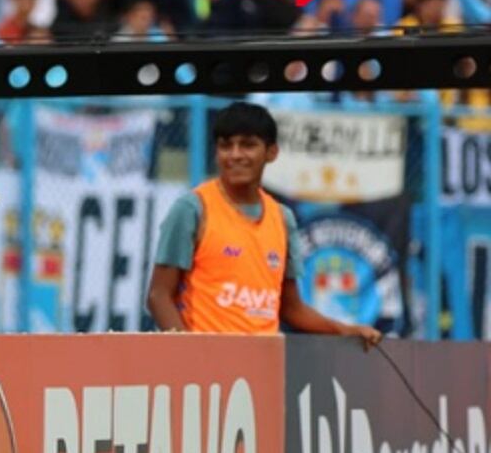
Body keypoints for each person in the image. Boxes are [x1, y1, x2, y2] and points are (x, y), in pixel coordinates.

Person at [145, 102, 384, 348]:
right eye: (226, 145)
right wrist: (188, 353)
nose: (235, 154)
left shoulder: (282, 218)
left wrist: (345, 330)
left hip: (265, 366)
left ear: (271, 152)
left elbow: (292, 309)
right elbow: (158, 296)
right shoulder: (193, 208)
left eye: (248, 145)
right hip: (208, 372)